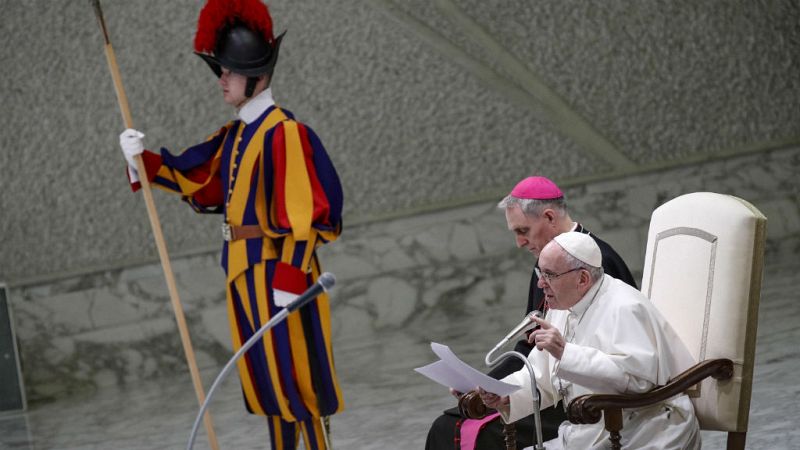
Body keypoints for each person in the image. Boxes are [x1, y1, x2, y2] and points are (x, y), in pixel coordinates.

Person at [117, 1, 342, 449]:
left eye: (228, 71)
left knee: (297, 386)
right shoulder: (237, 134)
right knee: (267, 386)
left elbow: (306, 212)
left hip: (279, 274)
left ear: (256, 75)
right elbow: (198, 179)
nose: (221, 79)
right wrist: (140, 160)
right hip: (243, 272)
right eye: (220, 70)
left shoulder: (284, 132)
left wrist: (292, 276)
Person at [425, 176, 636, 450]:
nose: (519, 242)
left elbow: (616, 361)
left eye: (522, 230)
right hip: (545, 384)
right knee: (451, 421)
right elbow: (530, 343)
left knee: (464, 430)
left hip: (583, 399)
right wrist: (486, 384)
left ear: (549, 217)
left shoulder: (595, 263)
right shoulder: (549, 263)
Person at [479, 232, 700, 449]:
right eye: (540, 273)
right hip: (590, 433)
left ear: (582, 279)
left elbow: (638, 381)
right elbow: (540, 375)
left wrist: (566, 353)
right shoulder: (561, 308)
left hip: (646, 430)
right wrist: (506, 394)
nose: (540, 284)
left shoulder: (625, 307)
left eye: (549, 275)